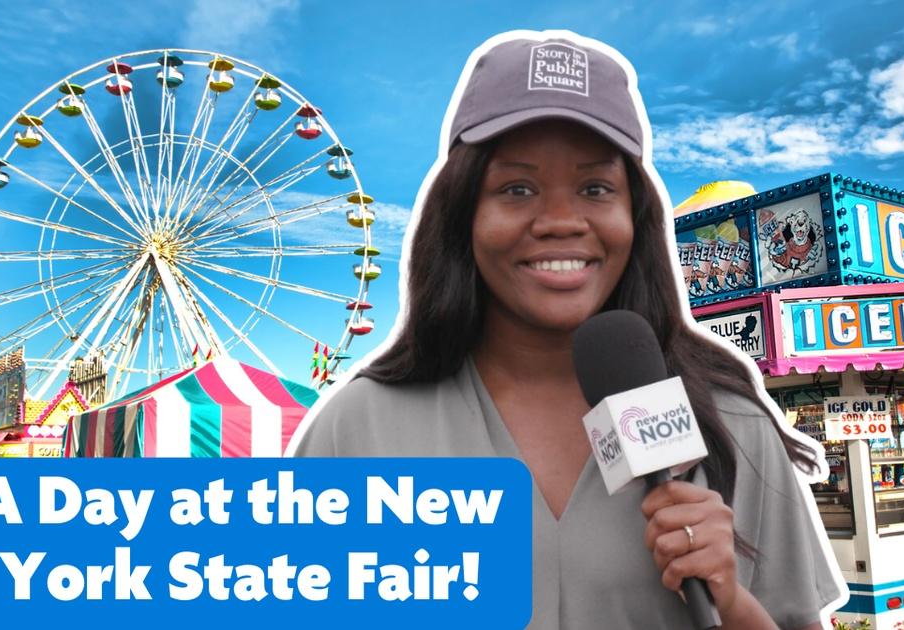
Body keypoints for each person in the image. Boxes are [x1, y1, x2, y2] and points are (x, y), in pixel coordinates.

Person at [289, 30, 845, 629]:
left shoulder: (733, 426)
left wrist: (730, 600)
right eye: (517, 188)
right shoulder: (357, 428)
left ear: (634, 215)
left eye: (595, 188)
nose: (559, 221)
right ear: (463, 214)